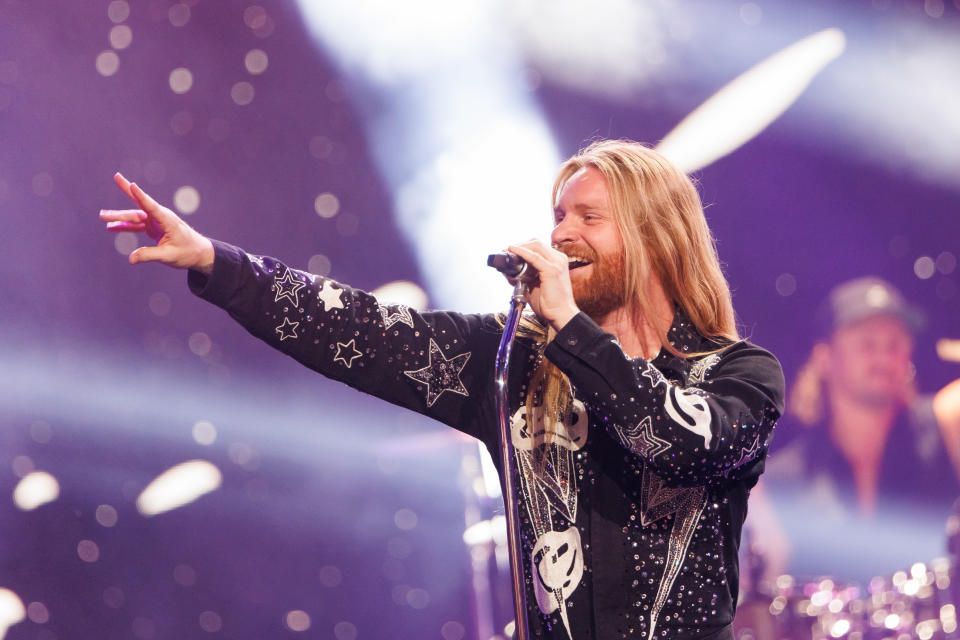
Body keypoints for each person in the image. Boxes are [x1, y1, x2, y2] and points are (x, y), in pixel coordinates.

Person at [100, 140, 785, 640]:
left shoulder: (739, 376)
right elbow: (362, 330)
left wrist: (571, 328)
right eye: (559, 214)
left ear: (656, 238)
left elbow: (677, 442)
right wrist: (219, 264)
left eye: (588, 218)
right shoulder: (514, 363)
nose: (560, 233)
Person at [746, 277, 960, 583]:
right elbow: (759, 612)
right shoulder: (778, 482)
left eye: (895, 342)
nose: (885, 356)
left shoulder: (948, 424)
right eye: (867, 342)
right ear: (824, 357)